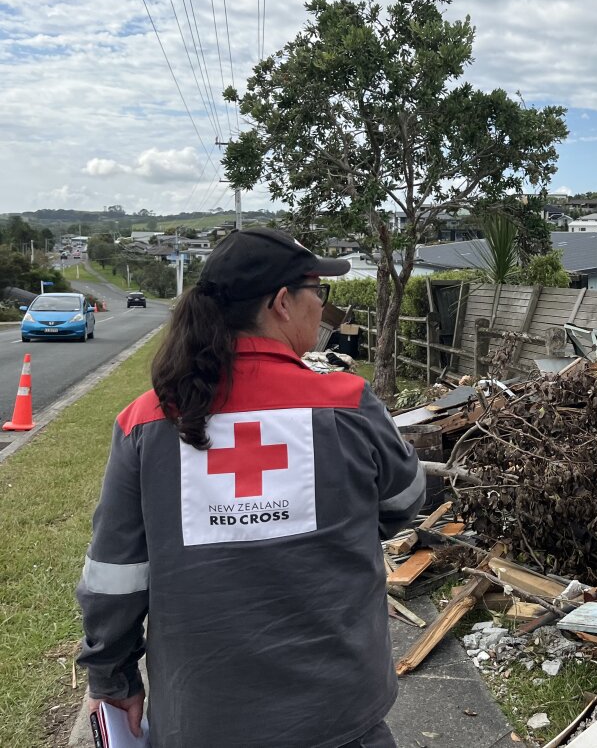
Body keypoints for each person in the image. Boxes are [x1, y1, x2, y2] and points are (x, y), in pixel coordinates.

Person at [75, 227, 424, 747]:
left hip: (201, 717)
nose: (321, 307)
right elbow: (405, 503)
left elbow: (115, 576)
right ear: (282, 302)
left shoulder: (146, 421)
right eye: (318, 293)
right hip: (340, 715)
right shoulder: (348, 404)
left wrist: (112, 676)